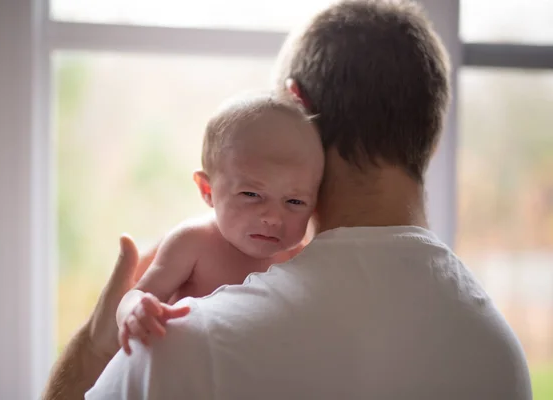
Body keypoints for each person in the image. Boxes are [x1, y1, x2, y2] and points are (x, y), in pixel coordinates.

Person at [42, 1, 532, 399]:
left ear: (297, 105)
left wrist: (92, 348)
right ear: (431, 132)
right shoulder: (499, 355)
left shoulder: (178, 342)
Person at [116, 93, 323, 354]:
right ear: (207, 190)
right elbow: (136, 294)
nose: (272, 217)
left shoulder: (298, 257)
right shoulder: (193, 243)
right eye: (251, 195)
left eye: (294, 201)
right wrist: (135, 309)